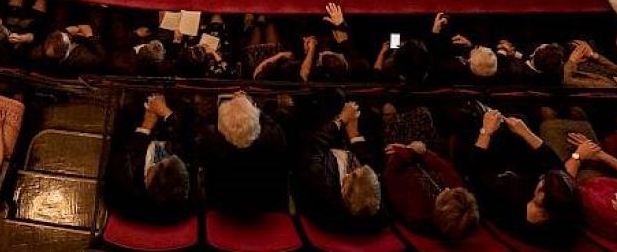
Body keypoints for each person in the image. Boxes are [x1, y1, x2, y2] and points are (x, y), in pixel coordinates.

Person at [462, 110, 577, 245]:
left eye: (543, 180)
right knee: (519, 119)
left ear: (541, 196)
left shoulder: (506, 206)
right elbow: (556, 166)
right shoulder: (563, 213)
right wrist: (525, 132)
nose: (541, 178)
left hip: (486, 170)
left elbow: (475, 173)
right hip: (513, 172)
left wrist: (486, 131)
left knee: (466, 120)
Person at [297, 101, 386, 233]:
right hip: (346, 142)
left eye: (354, 172)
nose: (355, 168)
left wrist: (340, 120)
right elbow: (368, 164)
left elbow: (314, 145)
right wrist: (354, 133)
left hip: (322, 140)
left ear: (343, 191)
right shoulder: (370, 202)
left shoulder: (322, 186)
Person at [105, 93, 193, 224]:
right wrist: (167, 114)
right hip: (173, 119)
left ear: (147, 179)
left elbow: (121, 152)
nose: (162, 157)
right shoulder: (188, 200)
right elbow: (192, 148)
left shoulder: (123, 191)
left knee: (128, 112)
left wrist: (146, 124)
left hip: (137, 128)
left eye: (160, 162)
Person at [198, 92, 289, 216]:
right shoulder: (272, 138)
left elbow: (208, 122)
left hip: (222, 207)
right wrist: (251, 106)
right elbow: (273, 125)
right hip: (265, 207)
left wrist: (235, 106)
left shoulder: (213, 142)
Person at [383, 139, 481, 242]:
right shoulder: (460, 197)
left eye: (446, 193)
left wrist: (404, 151)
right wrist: (422, 152)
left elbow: (390, 177)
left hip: (395, 160)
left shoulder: (417, 213)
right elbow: (445, 168)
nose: (447, 188)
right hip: (417, 154)